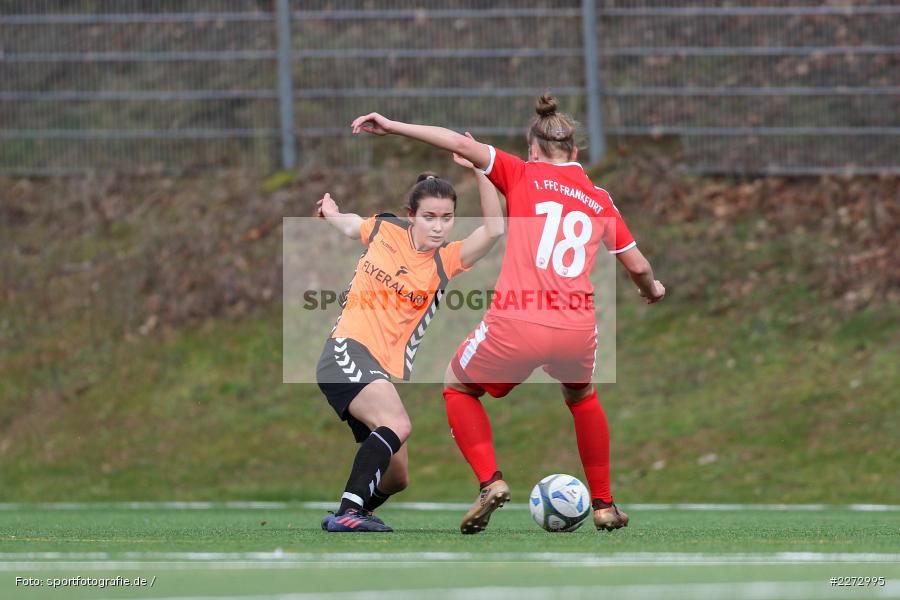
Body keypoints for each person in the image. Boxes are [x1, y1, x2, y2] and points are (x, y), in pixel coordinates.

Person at [351, 94, 665, 534]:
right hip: (577, 328)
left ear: (532, 148)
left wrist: (393, 125)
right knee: (582, 397)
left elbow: (453, 141)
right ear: (575, 152)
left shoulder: (521, 171)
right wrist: (652, 290)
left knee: (457, 386)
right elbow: (639, 267)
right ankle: (605, 504)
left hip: (519, 321)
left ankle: (490, 482)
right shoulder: (599, 198)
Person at [315, 152, 504, 532]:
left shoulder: (446, 260)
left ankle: (358, 510)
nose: (438, 227)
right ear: (411, 214)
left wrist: (481, 169)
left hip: (377, 366)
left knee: (397, 477)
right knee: (398, 422)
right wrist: (332, 213)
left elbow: (494, 230)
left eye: (446, 219)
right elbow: (354, 227)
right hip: (345, 350)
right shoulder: (386, 229)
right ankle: (348, 513)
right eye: (429, 217)